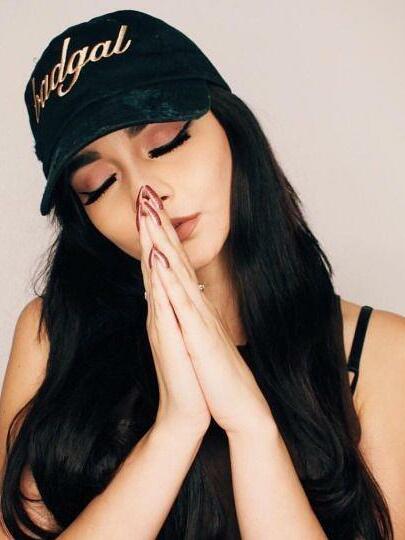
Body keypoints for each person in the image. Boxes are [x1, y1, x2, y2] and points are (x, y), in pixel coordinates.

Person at [1, 8, 404, 539]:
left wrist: (250, 426)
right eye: (98, 184)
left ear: (231, 129)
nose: (147, 194)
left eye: (166, 143)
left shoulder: (379, 352)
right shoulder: (52, 333)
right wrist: (176, 426)